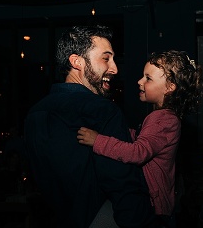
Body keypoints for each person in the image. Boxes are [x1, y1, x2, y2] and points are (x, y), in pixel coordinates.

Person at [23, 25, 156, 228]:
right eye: (106, 58)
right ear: (77, 62)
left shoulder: (34, 114)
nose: (115, 68)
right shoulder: (102, 111)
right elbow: (124, 187)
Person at [77, 50, 203, 227]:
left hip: (151, 207)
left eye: (148, 78)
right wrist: (117, 130)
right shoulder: (162, 118)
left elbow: (138, 152)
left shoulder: (165, 120)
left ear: (169, 87)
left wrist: (98, 140)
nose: (140, 81)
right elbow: (139, 139)